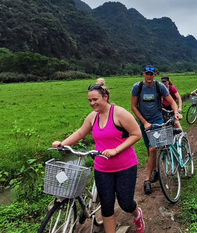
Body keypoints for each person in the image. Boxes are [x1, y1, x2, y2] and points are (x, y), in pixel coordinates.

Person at [52, 81, 145, 233]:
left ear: (105, 97)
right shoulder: (92, 117)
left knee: (125, 203)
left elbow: (136, 134)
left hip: (125, 166)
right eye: (89, 100)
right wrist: (63, 143)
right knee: (107, 205)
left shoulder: (119, 113)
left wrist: (116, 150)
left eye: (95, 99)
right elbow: (81, 133)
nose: (92, 103)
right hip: (102, 168)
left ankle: (137, 214)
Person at [131, 65, 182, 195]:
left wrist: (176, 112)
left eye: (151, 74)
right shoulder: (138, 87)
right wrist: (144, 122)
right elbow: (133, 107)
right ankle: (155, 171)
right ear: (143, 74)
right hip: (144, 122)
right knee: (149, 149)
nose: (149, 76)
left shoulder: (159, 86)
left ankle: (147, 180)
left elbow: (172, 102)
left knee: (153, 148)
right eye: (147, 74)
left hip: (157, 120)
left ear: (154, 75)